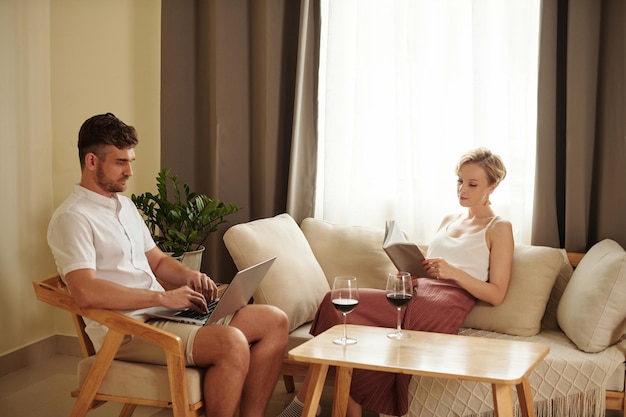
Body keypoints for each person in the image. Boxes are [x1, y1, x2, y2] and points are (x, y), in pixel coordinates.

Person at [47, 113, 289, 417]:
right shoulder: (73, 218)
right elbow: (86, 292)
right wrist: (163, 297)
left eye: (130, 160)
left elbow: (157, 260)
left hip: (163, 314)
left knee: (274, 320)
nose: (129, 171)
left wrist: (190, 276)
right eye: (120, 162)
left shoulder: (124, 206)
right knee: (230, 342)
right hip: (128, 330)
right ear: (92, 161)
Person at [279, 147, 514, 417]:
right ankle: (342, 407)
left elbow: (496, 294)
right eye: (460, 181)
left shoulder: (499, 227)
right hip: (418, 291)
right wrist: (413, 267)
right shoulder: (450, 219)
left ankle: (307, 402)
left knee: (345, 313)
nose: (462, 189)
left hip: (443, 306)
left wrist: (453, 272)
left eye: (472, 184)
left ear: (493, 187)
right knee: (337, 303)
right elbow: (432, 268)